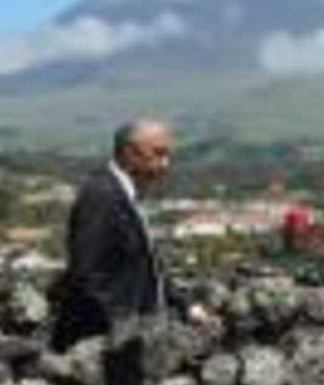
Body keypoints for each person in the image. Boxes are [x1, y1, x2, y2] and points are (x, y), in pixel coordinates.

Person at [50, 118, 211, 352]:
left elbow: (147, 266)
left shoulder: (122, 194)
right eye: (158, 153)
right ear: (129, 153)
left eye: (167, 155)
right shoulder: (101, 196)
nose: (166, 164)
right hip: (103, 349)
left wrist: (185, 306)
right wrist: (124, 329)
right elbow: (87, 274)